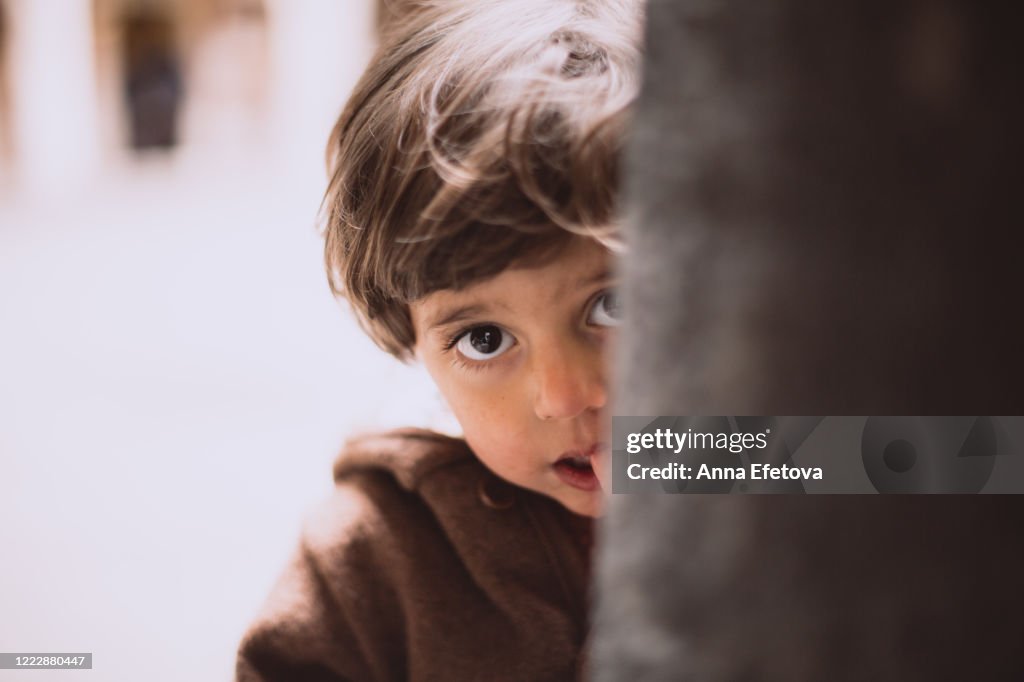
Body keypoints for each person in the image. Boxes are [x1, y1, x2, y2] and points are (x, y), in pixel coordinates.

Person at [235, 1, 642, 679]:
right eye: (485, 338)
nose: (567, 394)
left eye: (615, 303)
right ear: (414, 347)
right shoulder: (369, 558)